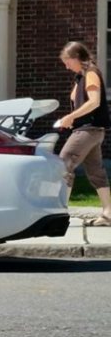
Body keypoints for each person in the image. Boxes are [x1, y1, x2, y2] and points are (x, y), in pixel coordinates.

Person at [58, 41, 111, 226]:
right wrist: (71, 119)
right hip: (91, 131)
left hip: (87, 130)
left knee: (63, 164)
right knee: (96, 172)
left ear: (77, 58)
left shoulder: (91, 74)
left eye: (67, 61)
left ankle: (59, 212)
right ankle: (108, 214)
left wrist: (70, 116)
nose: (66, 66)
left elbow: (94, 102)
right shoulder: (80, 77)